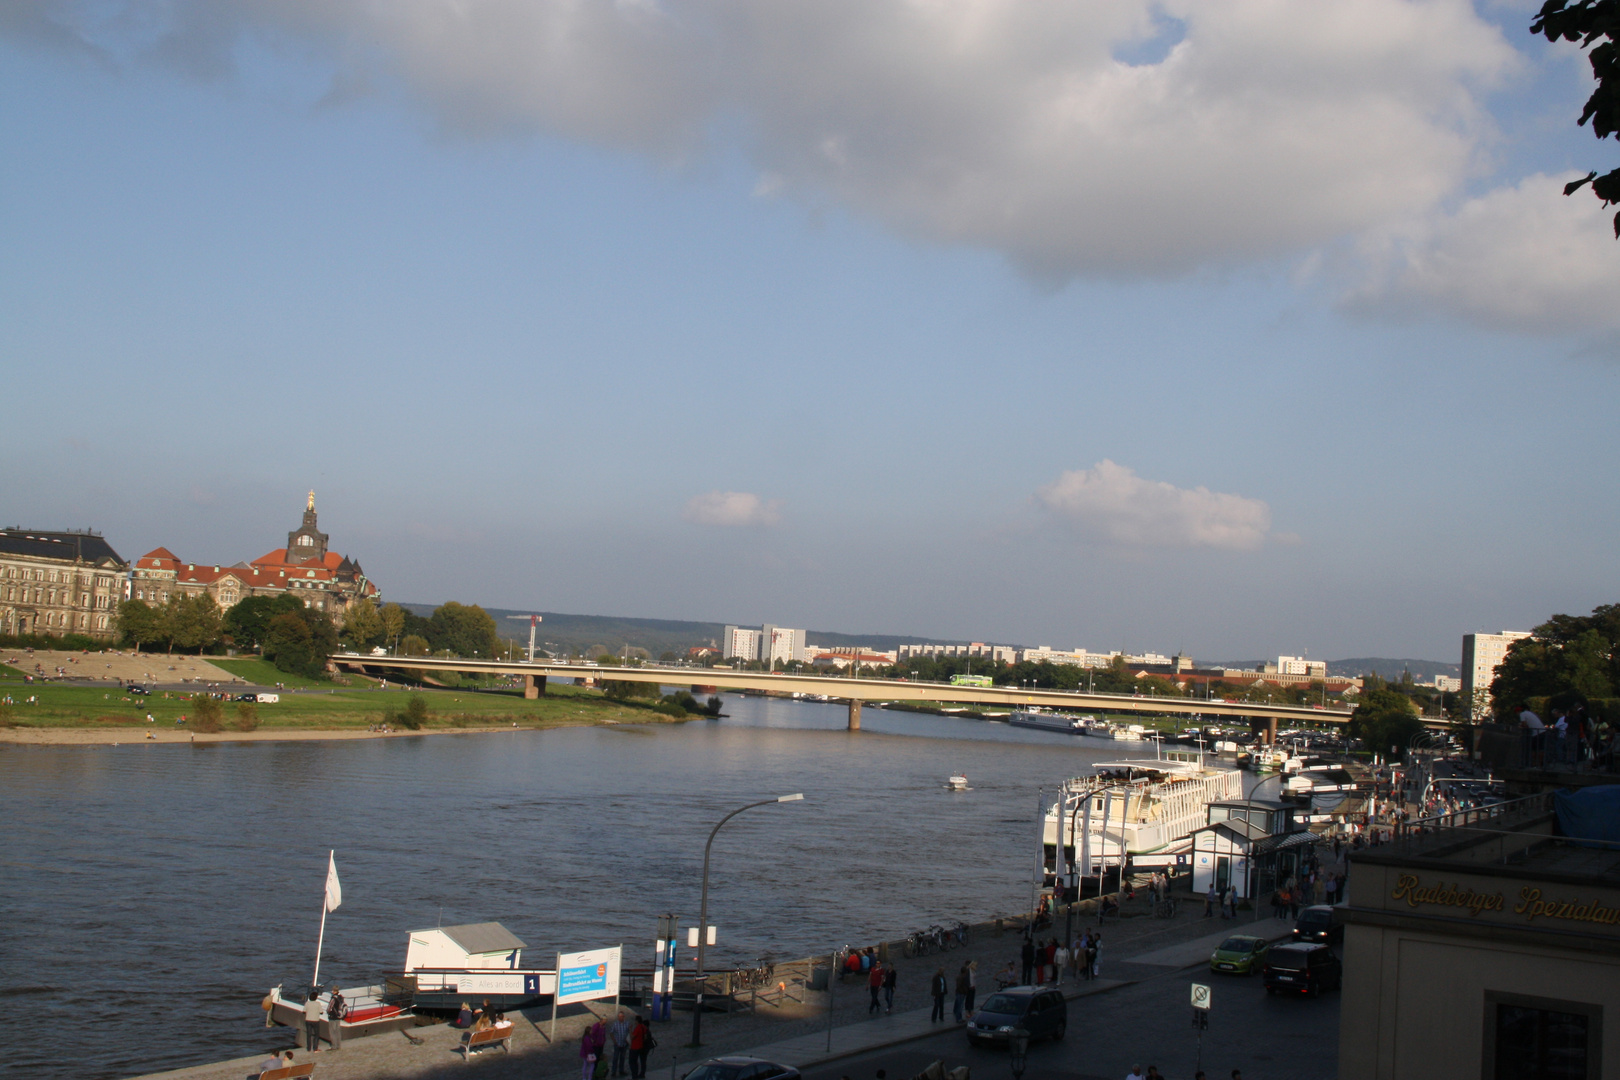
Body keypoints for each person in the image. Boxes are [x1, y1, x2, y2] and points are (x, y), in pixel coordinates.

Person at [610, 1010, 632, 1076]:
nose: (620, 1018)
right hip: (617, 1044)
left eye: (621, 1016)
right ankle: (613, 1072)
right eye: (619, 1016)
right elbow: (611, 1033)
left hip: (624, 1044)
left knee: (622, 1058)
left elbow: (629, 1032)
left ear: (624, 1017)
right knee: (615, 1058)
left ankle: (621, 1071)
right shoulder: (615, 1024)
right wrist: (614, 1041)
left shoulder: (627, 1023)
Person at [326, 985, 345, 1050]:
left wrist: (328, 1012)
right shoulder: (341, 997)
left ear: (334, 991)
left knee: (332, 1031)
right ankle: (338, 1045)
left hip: (333, 1016)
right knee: (338, 1031)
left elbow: (329, 1007)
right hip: (339, 1016)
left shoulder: (333, 998)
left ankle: (333, 1046)